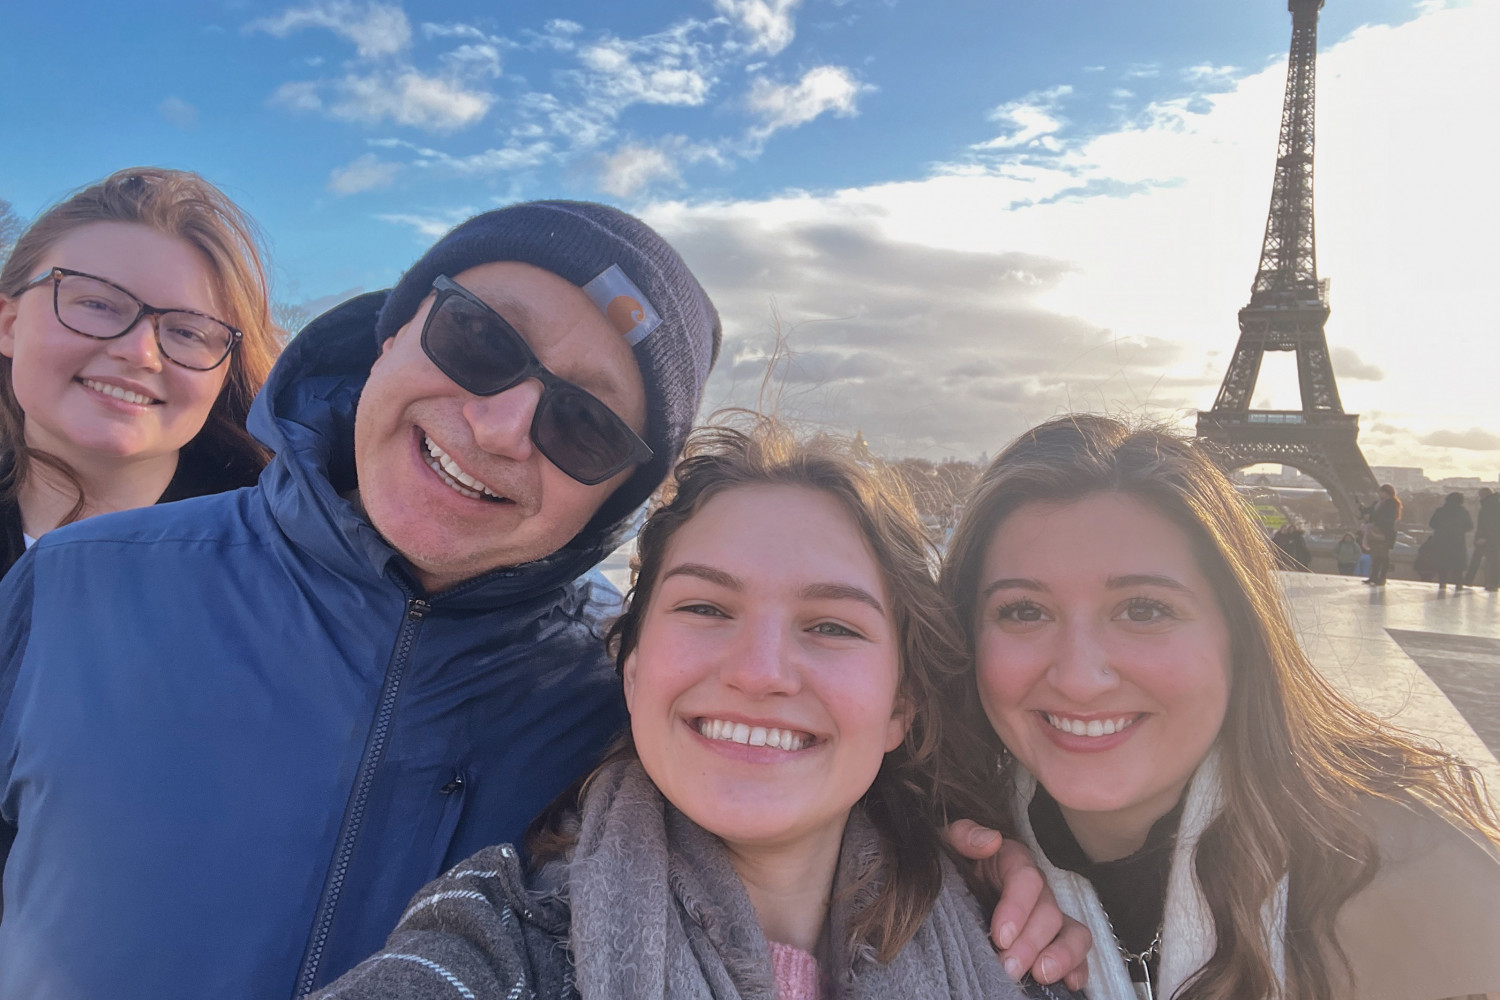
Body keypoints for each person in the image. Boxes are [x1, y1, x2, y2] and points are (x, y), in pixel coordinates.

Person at [0, 201, 722, 998]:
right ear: (392, 334)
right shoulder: (75, 587)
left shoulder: (623, 726)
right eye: (480, 340)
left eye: (586, 424)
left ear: (616, 497)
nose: (501, 427)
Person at [309, 416, 1080, 1000]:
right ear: (635, 670)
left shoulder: (1014, 946)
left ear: (899, 709)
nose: (759, 671)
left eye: (833, 626)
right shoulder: (506, 941)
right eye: (707, 608)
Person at [940, 415, 1500, 1000]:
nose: (1080, 679)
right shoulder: (946, 870)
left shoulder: (1424, 887)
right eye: (1024, 611)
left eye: (1143, 609)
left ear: (1239, 635)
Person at [0, 167, 279, 577]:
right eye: (98, 304)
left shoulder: (287, 575)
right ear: (9, 323)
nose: (140, 353)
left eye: (188, 331)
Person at [1428, 492, 1473, 592]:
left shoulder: (1440, 511)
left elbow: (1432, 523)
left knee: (1442, 562)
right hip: (1458, 541)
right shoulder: (1464, 512)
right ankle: (1458, 583)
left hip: (1442, 540)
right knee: (1458, 564)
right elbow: (1470, 526)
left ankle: (1442, 582)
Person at [1363, 483, 1401, 586]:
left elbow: (1387, 518)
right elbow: (1370, 512)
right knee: (1376, 556)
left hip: (1385, 532)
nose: (1380, 494)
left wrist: (1372, 518)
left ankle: (1381, 578)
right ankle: (1374, 577)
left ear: (1387, 493)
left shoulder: (1392, 504)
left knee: (1383, 556)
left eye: (1382, 492)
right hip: (1377, 531)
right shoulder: (1378, 503)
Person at [1466, 487, 1499, 592]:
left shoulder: (1488, 506)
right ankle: (1493, 583)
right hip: (1493, 539)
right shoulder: (1494, 504)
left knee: (1477, 560)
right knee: (1493, 562)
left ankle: (1468, 580)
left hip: (1486, 539)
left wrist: (1483, 537)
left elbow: (1488, 524)